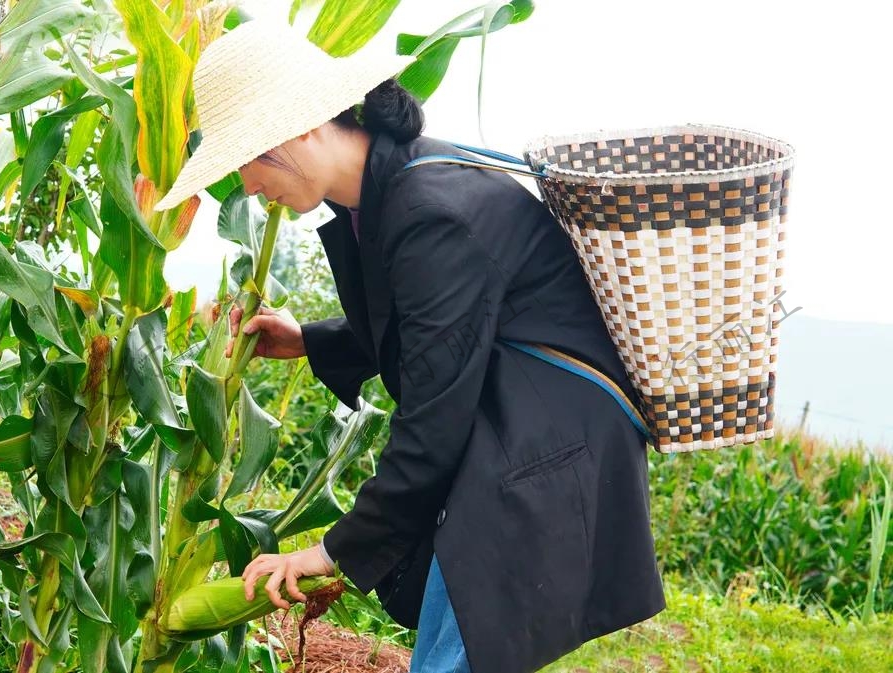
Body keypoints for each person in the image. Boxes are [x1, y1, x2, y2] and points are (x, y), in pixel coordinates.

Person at [154, 19, 665, 673]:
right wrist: (311, 340)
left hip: (538, 450)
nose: (248, 184)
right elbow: (445, 328)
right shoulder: (386, 196)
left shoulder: (429, 213)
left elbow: (434, 415)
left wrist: (335, 549)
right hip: (523, 430)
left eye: (251, 156)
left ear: (303, 125)